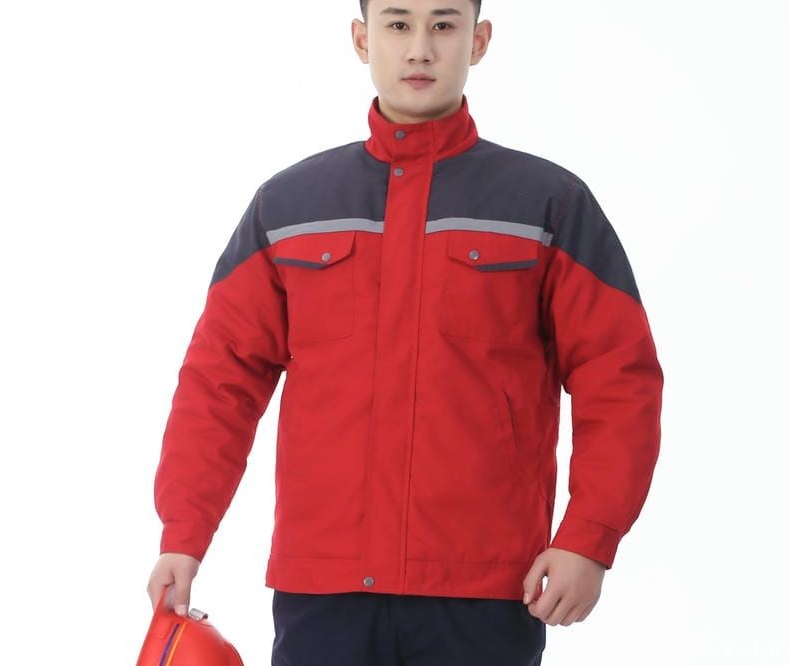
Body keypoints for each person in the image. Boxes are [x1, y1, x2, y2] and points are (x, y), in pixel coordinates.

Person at [147, 0, 664, 663]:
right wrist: (183, 534)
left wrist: (589, 537)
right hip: (324, 589)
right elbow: (219, 381)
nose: (420, 47)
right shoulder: (289, 206)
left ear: (479, 40)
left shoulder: (548, 203)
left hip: (485, 588)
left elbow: (619, 377)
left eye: (443, 25)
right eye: (398, 24)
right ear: (363, 39)